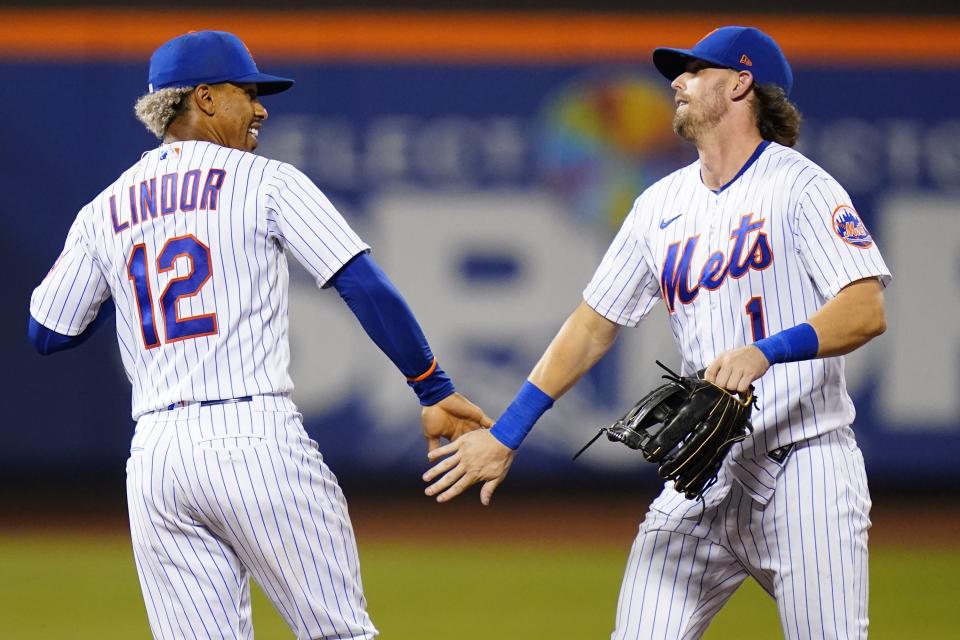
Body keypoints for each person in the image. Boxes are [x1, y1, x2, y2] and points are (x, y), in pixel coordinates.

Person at [424, 25, 889, 639]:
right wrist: (507, 433)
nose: (678, 82)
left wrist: (765, 352)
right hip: (703, 471)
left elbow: (865, 309)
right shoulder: (659, 205)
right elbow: (592, 325)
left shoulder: (800, 185)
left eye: (696, 72)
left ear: (741, 83)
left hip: (805, 469)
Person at [28, 30, 491, 640]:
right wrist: (432, 387)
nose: (262, 106)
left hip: (157, 457)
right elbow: (364, 286)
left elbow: (48, 332)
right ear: (206, 98)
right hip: (253, 439)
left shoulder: (104, 209)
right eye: (248, 91)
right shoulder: (264, 181)